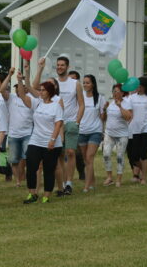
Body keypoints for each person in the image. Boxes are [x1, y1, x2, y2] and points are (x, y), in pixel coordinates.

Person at [35, 56, 84, 195]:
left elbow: (81, 104)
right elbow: (36, 88)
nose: (60, 67)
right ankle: (61, 183)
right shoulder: (52, 83)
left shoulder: (75, 83)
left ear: (67, 67)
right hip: (55, 123)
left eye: (62, 65)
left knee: (70, 152)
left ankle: (69, 183)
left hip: (70, 122)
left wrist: (77, 121)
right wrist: (40, 67)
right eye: (58, 65)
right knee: (59, 155)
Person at [17, 71, 63, 204]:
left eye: (43, 90)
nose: (40, 92)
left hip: (51, 143)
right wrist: (20, 80)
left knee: (49, 169)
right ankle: (32, 193)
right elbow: (22, 95)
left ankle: (47, 195)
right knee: (31, 167)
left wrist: (53, 140)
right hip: (35, 140)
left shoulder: (56, 106)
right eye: (40, 90)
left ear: (49, 92)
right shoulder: (37, 103)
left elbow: (58, 123)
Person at [0, 66, 33, 187]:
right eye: (18, 87)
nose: (20, 89)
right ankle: (18, 181)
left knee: (28, 159)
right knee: (14, 160)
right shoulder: (11, 98)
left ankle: (27, 178)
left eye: (22, 87)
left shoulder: (31, 99)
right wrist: (9, 75)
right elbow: (2, 89)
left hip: (28, 134)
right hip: (13, 134)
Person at [77, 75, 106, 193]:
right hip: (82, 131)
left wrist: (105, 110)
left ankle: (86, 186)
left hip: (95, 131)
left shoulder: (100, 98)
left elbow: (103, 117)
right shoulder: (80, 97)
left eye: (87, 83)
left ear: (93, 84)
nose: (85, 85)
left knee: (89, 157)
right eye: (83, 83)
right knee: (86, 160)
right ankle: (92, 181)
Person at [102, 84, 133, 187]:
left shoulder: (127, 103)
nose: (115, 93)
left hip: (122, 135)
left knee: (120, 156)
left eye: (117, 91)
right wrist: (105, 109)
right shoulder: (111, 103)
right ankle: (109, 177)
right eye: (114, 91)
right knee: (106, 154)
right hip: (109, 133)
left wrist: (120, 106)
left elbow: (128, 117)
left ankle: (119, 179)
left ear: (123, 93)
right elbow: (105, 118)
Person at [68, 70, 85, 180]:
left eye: (74, 79)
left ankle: (81, 171)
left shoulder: (81, 92)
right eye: (70, 78)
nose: (72, 81)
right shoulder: (65, 92)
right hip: (67, 125)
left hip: (79, 124)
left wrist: (77, 122)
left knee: (77, 151)